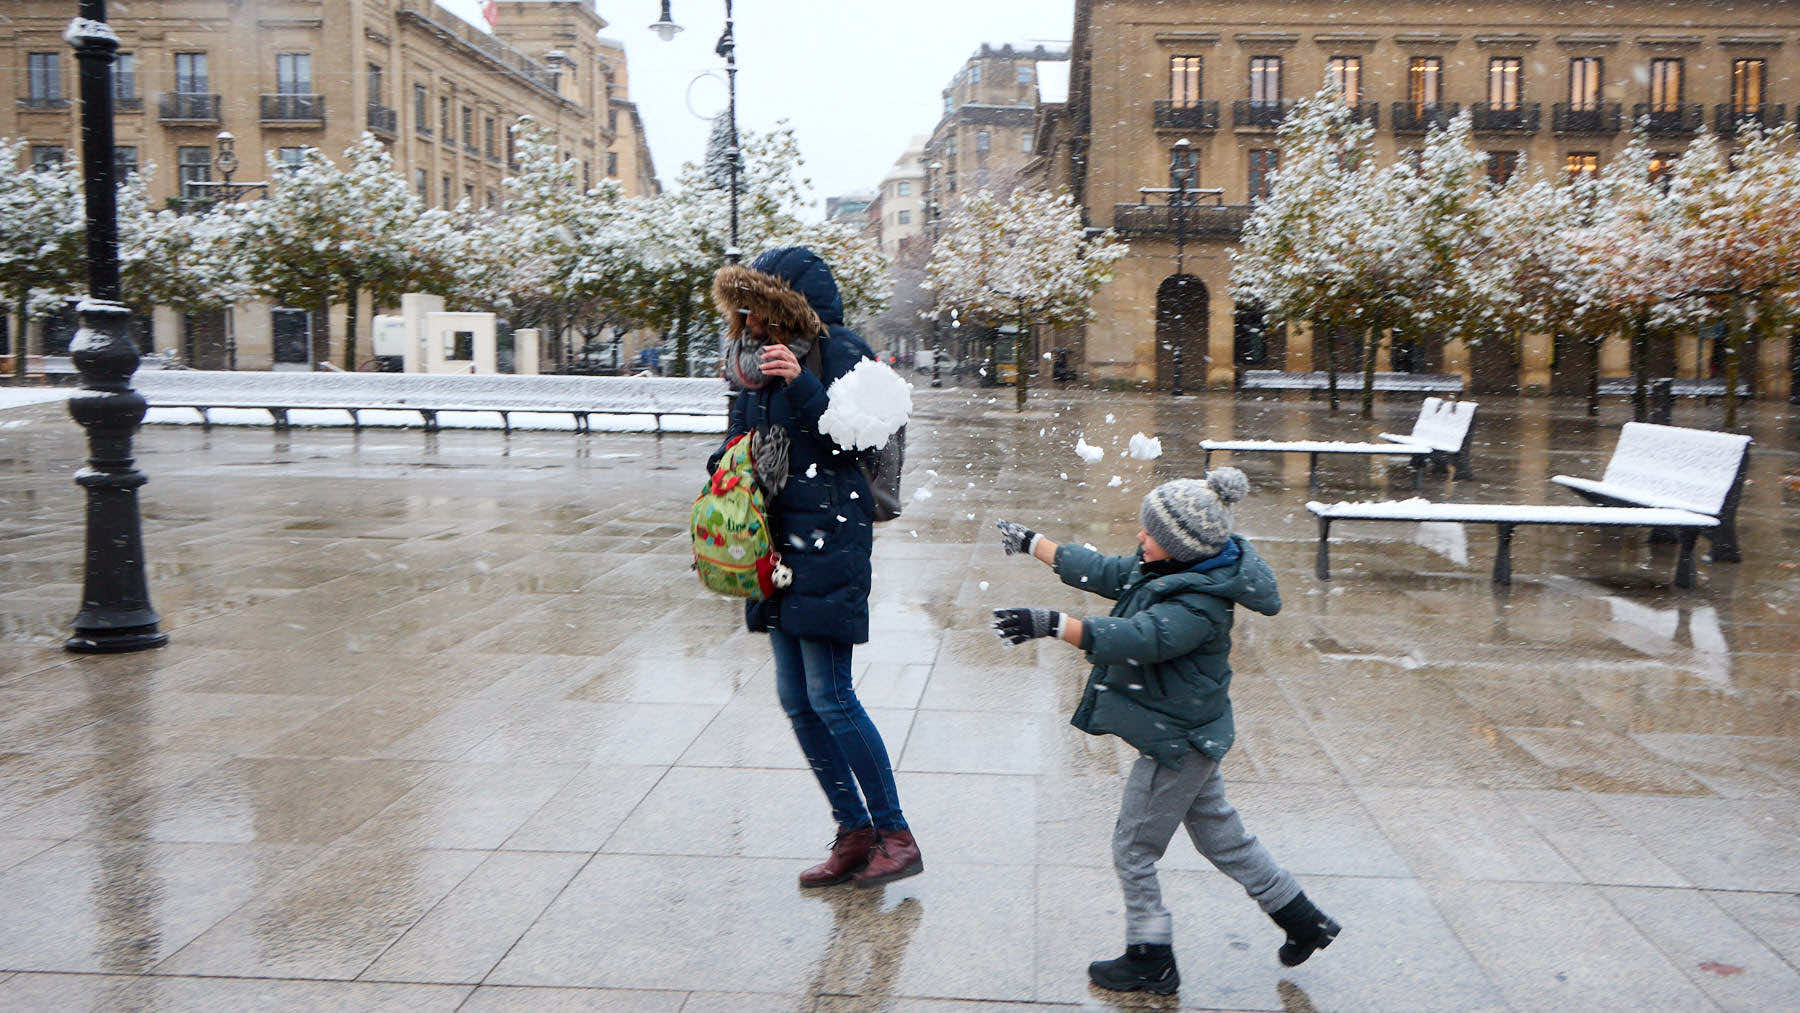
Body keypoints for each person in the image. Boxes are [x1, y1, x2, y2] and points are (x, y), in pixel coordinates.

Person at [991, 469, 1340, 996]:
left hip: (1177, 744)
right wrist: (1036, 544)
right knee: (1225, 839)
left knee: (1133, 849)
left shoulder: (1197, 605)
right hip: (1193, 734)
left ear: (1179, 546)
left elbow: (1142, 637)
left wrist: (1056, 625)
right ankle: (1304, 919)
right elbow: (1105, 571)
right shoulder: (1173, 567)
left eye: (1149, 532)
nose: (1139, 538)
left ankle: (1150, 959)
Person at [707, 247, 922, 889]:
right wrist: (723, 473)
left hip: (829, 535)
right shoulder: (748, 366)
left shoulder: (844, 354)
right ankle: (854, 831)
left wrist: (801, 385)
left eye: (762, 307)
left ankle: (896, 834)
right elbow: (739, 442)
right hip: (773, 541)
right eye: (743, 309)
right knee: (796, 698)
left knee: (831, 693)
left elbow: (853, 444)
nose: (752, 322)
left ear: (790, 306)